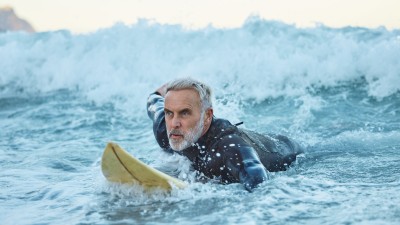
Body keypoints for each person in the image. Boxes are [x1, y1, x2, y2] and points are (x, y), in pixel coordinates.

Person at [147, 77, 304, 191]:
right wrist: (157, 92)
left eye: (185, 113)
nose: (174, 122)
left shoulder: (228, 148)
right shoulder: (167, 129)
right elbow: (153, 102)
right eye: (169, 113)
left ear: (207, 116)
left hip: (284, 149)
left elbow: (257, 177)